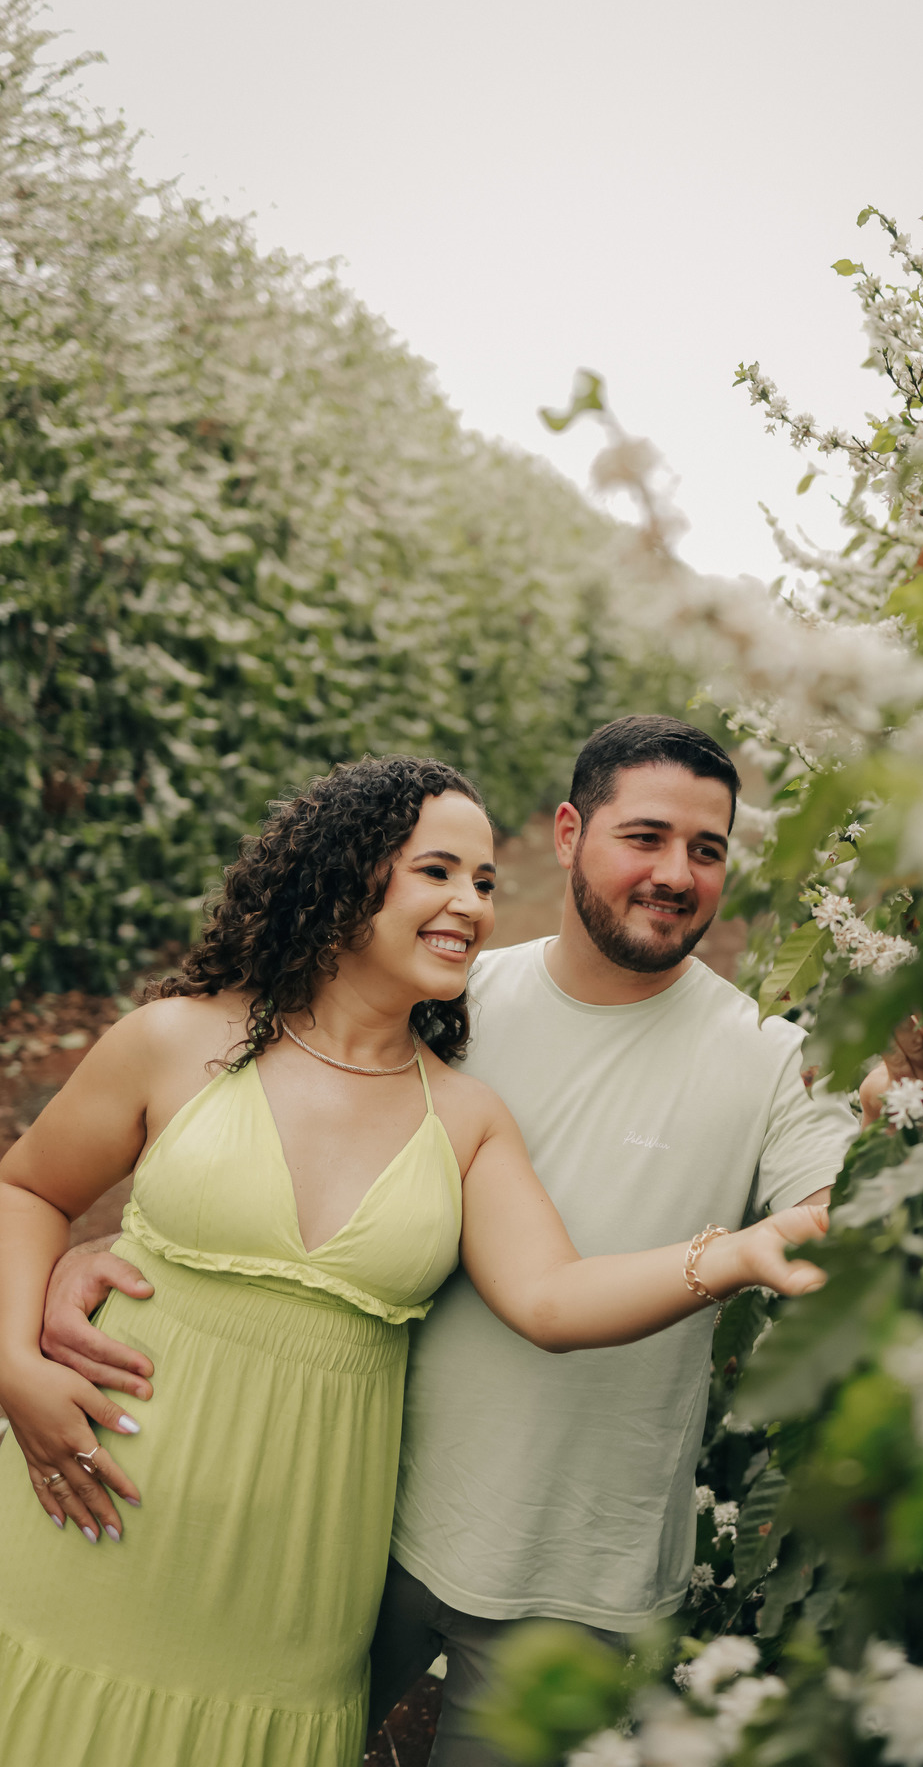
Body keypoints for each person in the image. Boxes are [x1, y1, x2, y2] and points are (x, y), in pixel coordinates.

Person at [0, 754, 831, 1767]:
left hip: (299, 1565)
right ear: (347, 876)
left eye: (483, 881)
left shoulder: (465, 1113)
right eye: (437, 871)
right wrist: (16, 1364)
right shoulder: (175, 1041)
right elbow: (28, 1190)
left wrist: (736, 1253)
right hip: (99, 1502)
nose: (470, 904)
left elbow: (551, 1297)